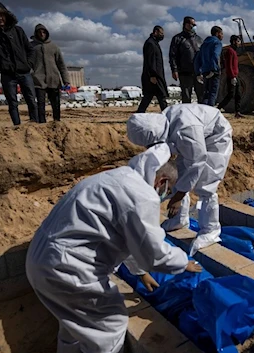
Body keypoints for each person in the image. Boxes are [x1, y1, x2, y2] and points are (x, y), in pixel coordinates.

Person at [26, 143, 203, 353]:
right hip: (68, 269)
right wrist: (183, 262)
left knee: (75, 325)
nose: (165, 196)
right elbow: (153, 253)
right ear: (162, 181)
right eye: (169, 191)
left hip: (42, 260)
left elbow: (122, 236)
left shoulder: (117, 177)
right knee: (110, 325)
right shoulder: (141, 195)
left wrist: (140, 273)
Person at [127, 104, 233, 256]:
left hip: (216, 137)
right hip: (196, 138)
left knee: (205, 185)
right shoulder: (164, 123)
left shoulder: (186, 129)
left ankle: (211, 230)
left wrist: (178, 196)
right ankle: (180, 218)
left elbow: (198, 161)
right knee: (182, 173)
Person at [0, 0, 38, 126]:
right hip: (7, 73)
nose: (0, 18)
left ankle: (35, 124)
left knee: (31, 100)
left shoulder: (18, 30)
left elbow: (30, 50)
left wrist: (29, 64)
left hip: (24, 71)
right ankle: (17, 127)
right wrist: (0, 66)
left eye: (2, 15)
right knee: (12, 103)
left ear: (6, 15)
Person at [31, 24, 70, 122]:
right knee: (40, 103)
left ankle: (57, 121)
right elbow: (28, 63)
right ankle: (42, 123)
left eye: (43, 32)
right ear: (36, 34)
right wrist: (32, 74)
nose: (42, 34)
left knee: (56, 103)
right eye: (39, 32)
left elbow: (61, 65)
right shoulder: (32, 47)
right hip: (38, 80)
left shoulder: (54, 47)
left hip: (54, 79)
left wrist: (66, 80)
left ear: (47, 33)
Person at [170, 17, 204, 103]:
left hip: (198, 73)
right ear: (186, 25)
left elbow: (203, 55)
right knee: (186, 96)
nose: (194, 26)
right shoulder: (177, 39)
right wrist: (174, 70)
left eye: (195, 25)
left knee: (201, 95)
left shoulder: (199, 39)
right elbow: (172, 55)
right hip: (184, 72)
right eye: (193, 24)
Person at [137, 26, 168, 113]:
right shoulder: (150, 44)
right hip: (154, 76)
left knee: (151, 96)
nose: (162, 35)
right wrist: (152, 75)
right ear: (155, 32)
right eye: (161, 33)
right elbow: (151, 60)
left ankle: (140, 113)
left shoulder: (154, 43)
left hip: (155, 75)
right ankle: (167, 115)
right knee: (159, 96)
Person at [195, 26, 224, 107]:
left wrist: (198, 72)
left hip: (204, 71)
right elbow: (215, 55)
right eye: (221, 34)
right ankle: (210, 114)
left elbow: (197, 59)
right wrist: (214, 69)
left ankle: (204, 112)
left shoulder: (204, 44)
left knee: (206, 94)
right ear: (217, 33)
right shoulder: (217, 42)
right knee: (213, 94)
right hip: (213, 72)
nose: (222, 36)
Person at [217, 35, 243, 118]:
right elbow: (229, 65)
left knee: (238, 94)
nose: (239, 43)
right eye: (238, 41)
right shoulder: (230, 51)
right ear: (234, 41)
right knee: (230, 94)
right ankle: (218, 108)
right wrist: (232, 76)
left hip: (235, 75)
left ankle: (237, 112)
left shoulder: (234, 51)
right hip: (231, 76)